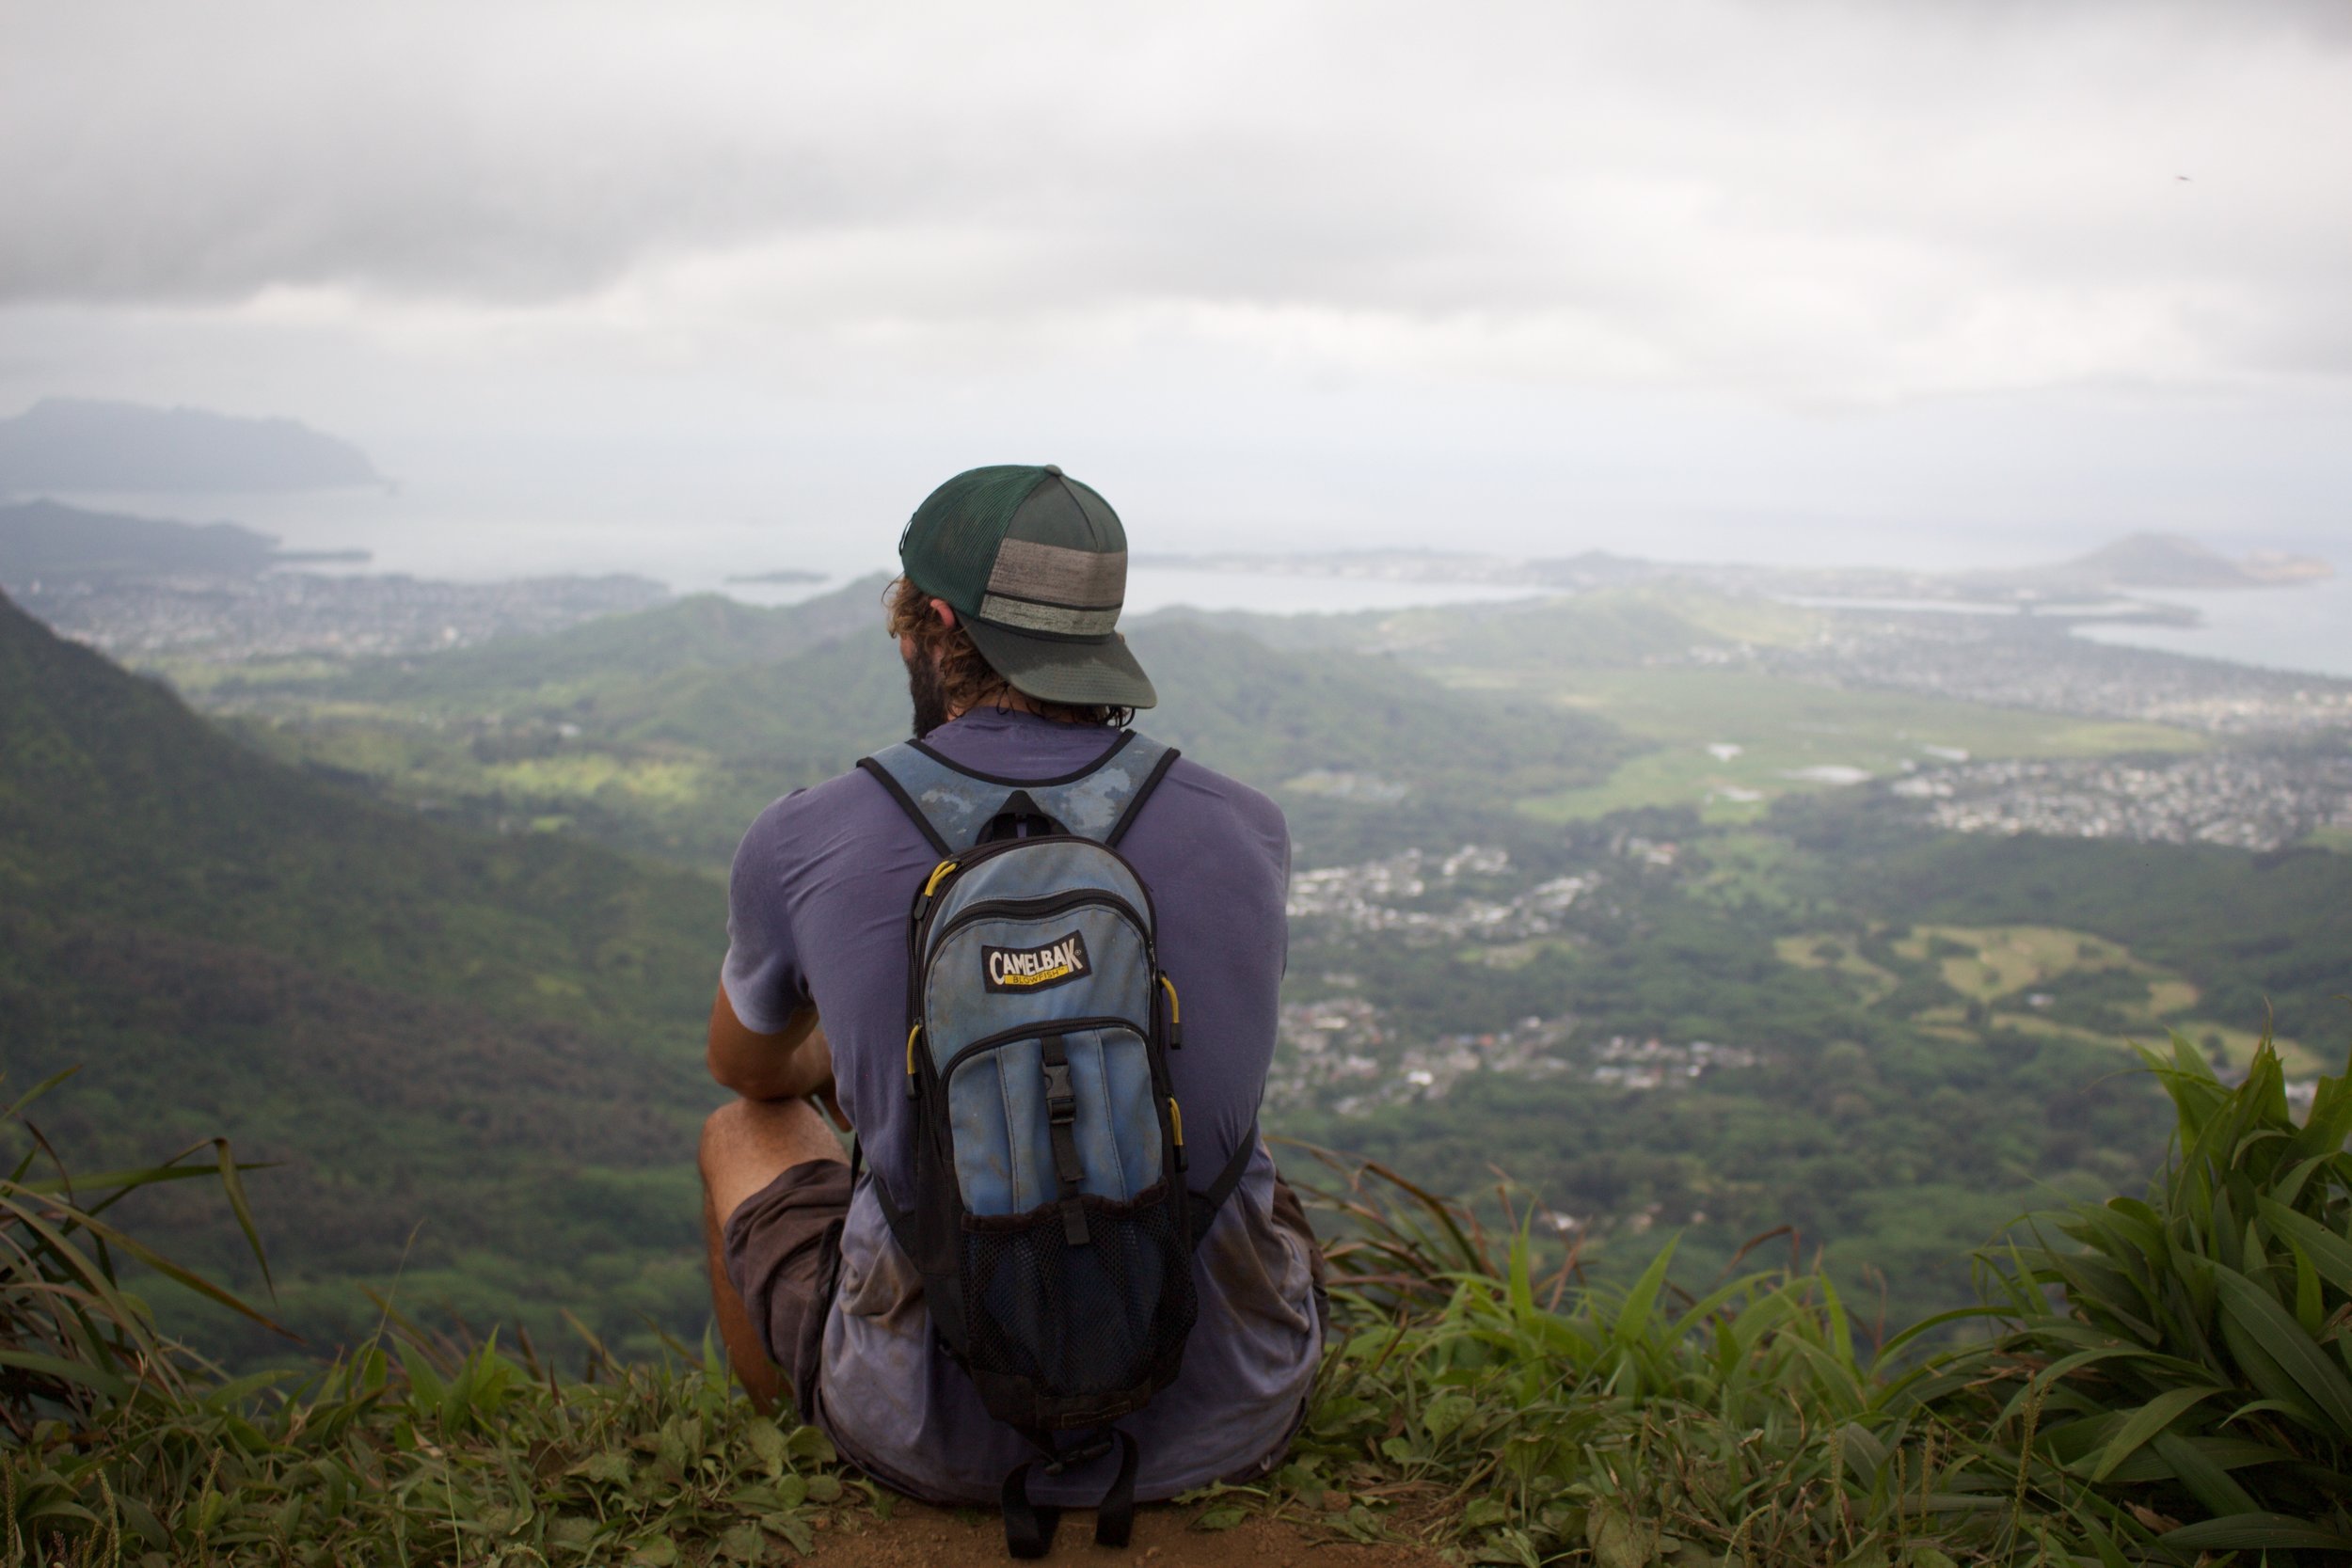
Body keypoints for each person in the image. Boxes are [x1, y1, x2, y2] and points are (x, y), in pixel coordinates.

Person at [698, 463, 1323, 1512]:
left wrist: (868, 1061)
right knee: (1232, 1145)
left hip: (924, 1434)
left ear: (931, 623)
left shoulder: (802, 834)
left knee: (741, 1127)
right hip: (1229, 1417)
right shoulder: (1245, 824)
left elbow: (746, 1063)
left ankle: (799, 1444)